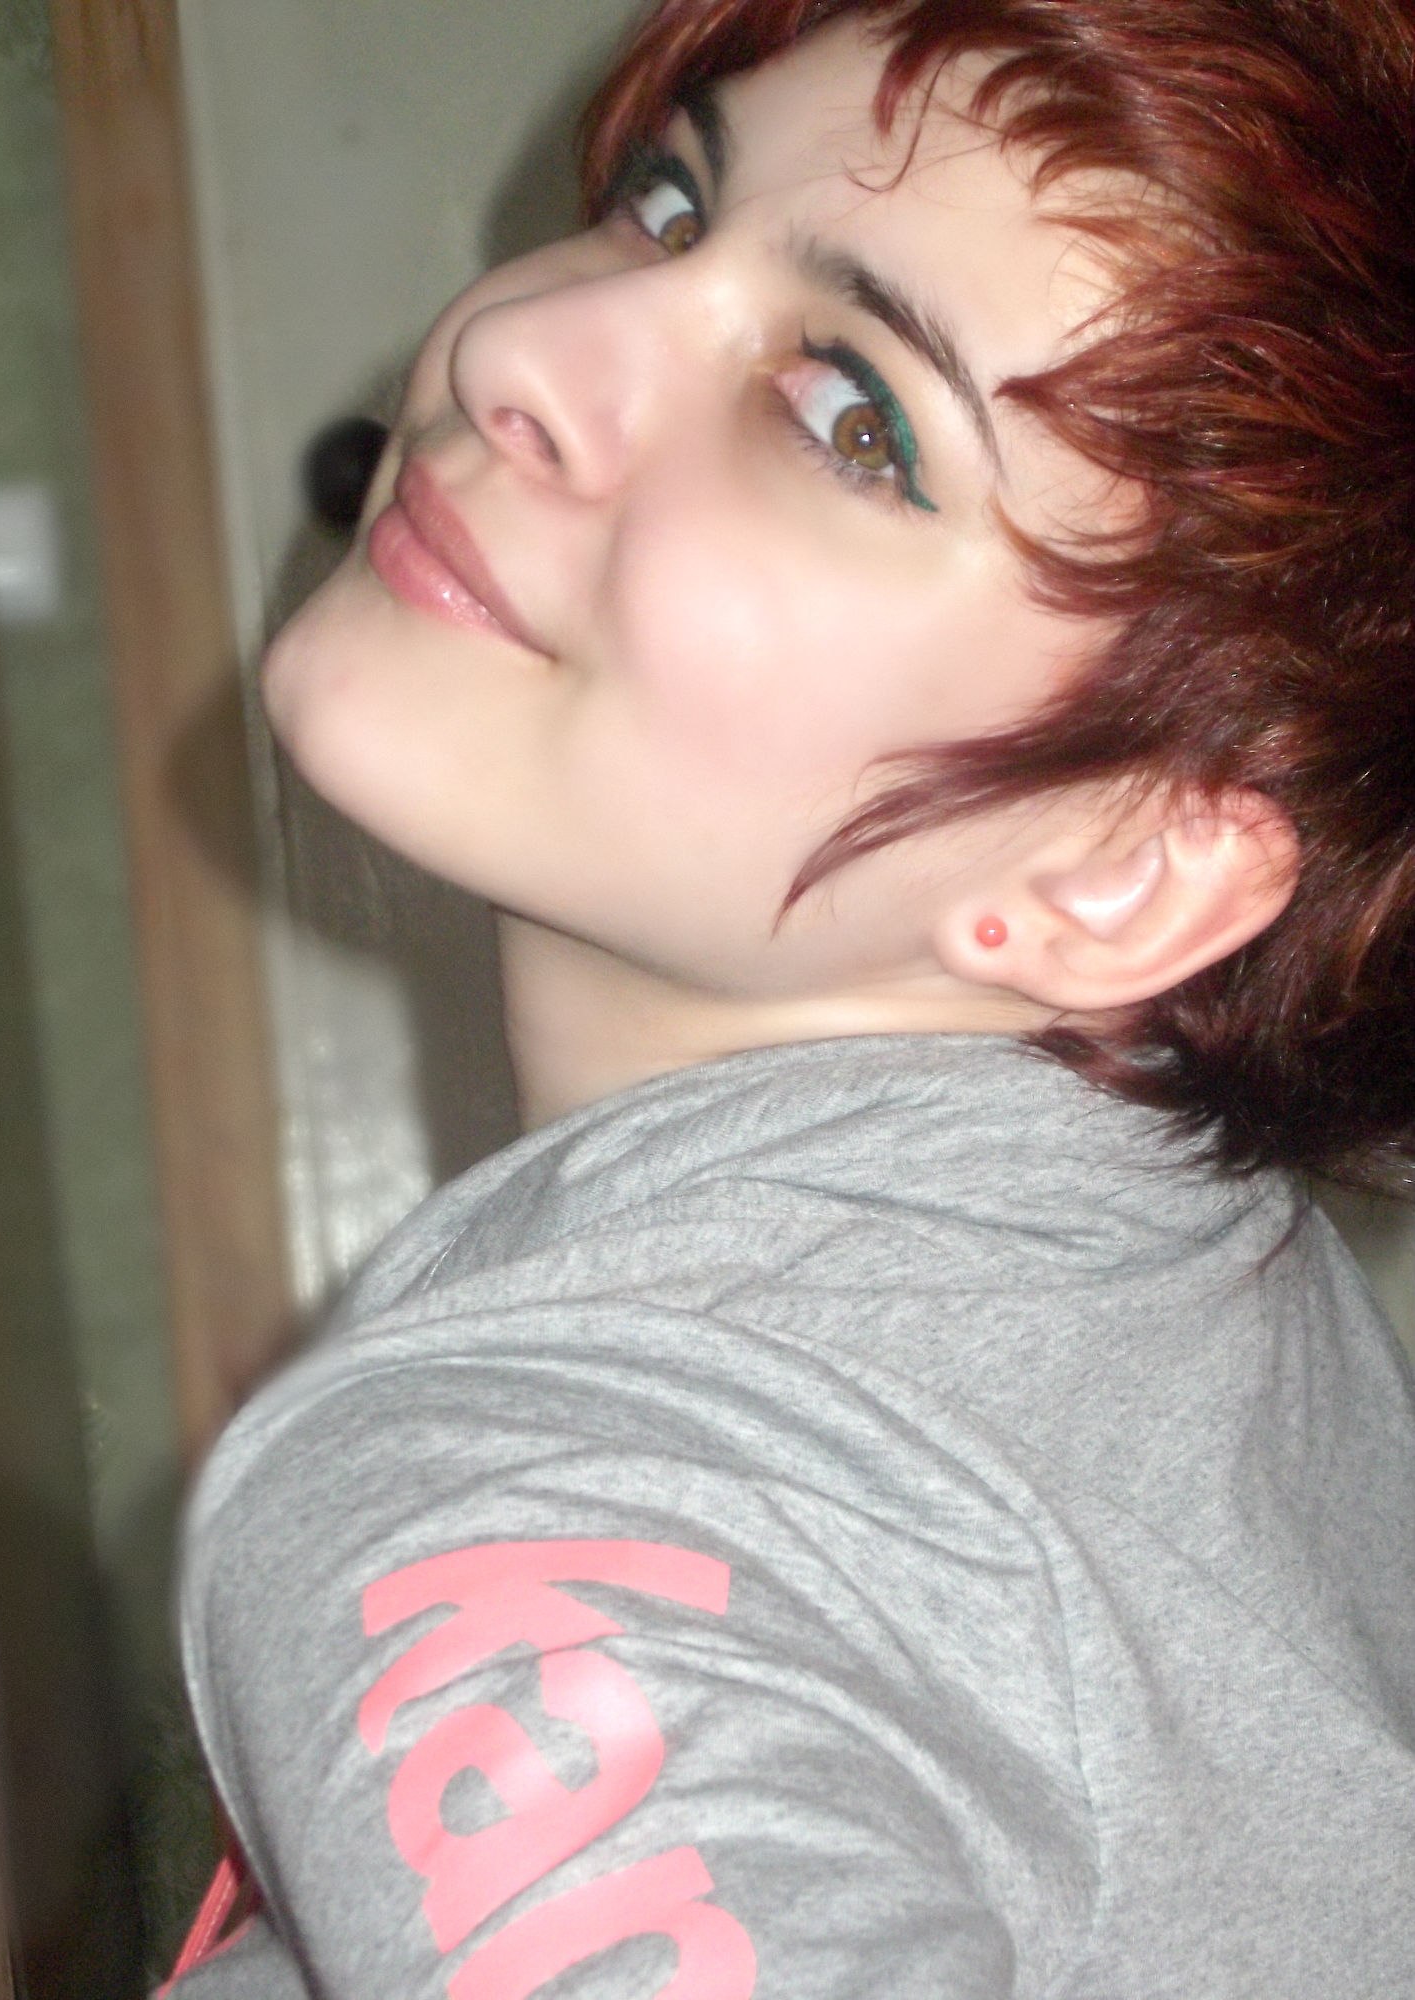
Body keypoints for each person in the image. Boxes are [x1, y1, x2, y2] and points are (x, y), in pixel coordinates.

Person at [166, 0, 1415, 1993]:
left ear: (1121, 872)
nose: (517, 347)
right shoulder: (1197, 1286)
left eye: (851, 417)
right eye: (673, 207)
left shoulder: (534, 1489)